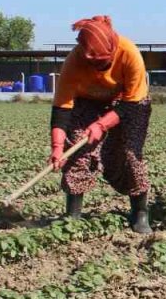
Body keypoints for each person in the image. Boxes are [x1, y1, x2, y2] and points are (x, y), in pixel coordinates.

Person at [49, 15, 154, 233]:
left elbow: (131, 105)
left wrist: (102, 125)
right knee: (76, 150)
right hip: (88, 101)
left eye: (104, 62)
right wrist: (57, 148)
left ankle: (140, 213)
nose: (99, 66)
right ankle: (73, 216)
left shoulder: (129, 53)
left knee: (130, 154)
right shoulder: (74, 62)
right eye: (94, 63)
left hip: (129, 102)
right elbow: (61, 109)